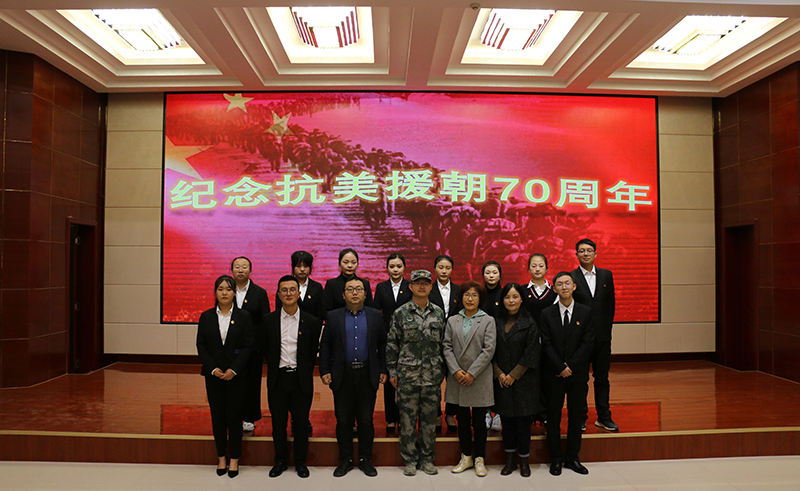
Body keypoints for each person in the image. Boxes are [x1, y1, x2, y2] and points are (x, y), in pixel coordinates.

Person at [319, 277, 387, 477]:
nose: (355, 292)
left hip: (367, 373)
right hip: (342, 374)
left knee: (366, 420)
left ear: (366, 294)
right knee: (343, 420)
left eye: (359, 289)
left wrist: (383, 369)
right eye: (350, 289)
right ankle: (345, 460)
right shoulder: (333, 316)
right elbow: (325, 345)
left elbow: (383, 344)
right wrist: (324, 369)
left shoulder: (376, 315)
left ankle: (366, 459)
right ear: (343, 294)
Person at [386, 270, 446, 477]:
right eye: (418, 283)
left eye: (426, 283)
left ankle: (427, 459)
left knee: (429, 422)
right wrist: (392, 371)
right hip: (407, 376)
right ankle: (410, 460)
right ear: (410, 286)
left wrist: (442, 371)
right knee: (407, 421)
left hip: (432, 376)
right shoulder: (400, 313)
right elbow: (392, 344)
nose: (422, 286)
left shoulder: (439, 313)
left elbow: (444, 345)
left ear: (431, 287)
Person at [262, 275, 322, 478]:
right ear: (278, 294)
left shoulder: (311, 321)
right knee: (278, 424)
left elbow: (312, 352)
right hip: (277, 379)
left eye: (292, 290)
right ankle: (280, 461)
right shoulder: (268, 320)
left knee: (301, 423)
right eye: (284, 290)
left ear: (299, 293)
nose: (288, 293)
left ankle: (300, 463)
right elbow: (265, 349)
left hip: (300, 379)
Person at [196, 275, 253, 478]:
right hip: (213, 376)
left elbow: (248, 346)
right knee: (218, 417)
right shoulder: (206, 317)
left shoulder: (244, 316)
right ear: (215, 292)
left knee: (234, 417)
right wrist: (212, 368)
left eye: (228, 289)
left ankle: (235, 458)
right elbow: (201, 345)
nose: (224, 292)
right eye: (220, 289)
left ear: (234, 292)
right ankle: (221, 457)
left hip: (236, 376)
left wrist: (234, 369)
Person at [540, 272, 594, 476]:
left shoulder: (585, 312)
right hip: (554, 375)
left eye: (567, 283)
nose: (564, 287)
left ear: (574, 287)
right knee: (553, 417)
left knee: (575, 417)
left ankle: (572, 457)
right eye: (559, 284)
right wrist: (559, 367)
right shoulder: (546, 313)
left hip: (577, 375)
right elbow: (546, 344)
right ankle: (555, 459)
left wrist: (570, 366)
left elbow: (588, 343)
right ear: (554, 288)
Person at [443, 281, 496, 477]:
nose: (470, 299)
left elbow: (489, 349)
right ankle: (466, 457)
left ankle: (480, 458)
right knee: (462, 421)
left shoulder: (488, 320)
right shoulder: (452, 320)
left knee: (480, 422)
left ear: (480, 299)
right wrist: (456, 370)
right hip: (458, 377)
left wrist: (472, 372)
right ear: (461, 297)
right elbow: (446, 347)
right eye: (466, 295)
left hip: (478, 377)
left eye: (474, 295)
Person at [493, 282, 541, 477]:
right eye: (507, 297)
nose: (511, 301)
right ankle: (510, 460)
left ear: (522, 299)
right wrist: (499, 373)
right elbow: (490, 351)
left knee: (523, 425)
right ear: (502, 300)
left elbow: (532, 352)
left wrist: (513, 375)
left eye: (515, 297)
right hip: (501, 381)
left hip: (524, 382)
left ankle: (524, 461)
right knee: (507, 424)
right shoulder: (495, 322)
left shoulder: (530, 323)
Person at [571, 238, 618, 432]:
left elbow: (610, 305)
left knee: (602, 378)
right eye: (582, 251)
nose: (586, 254)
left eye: (589, 250)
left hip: (602, 338)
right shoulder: (571, 277)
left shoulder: (606, 275)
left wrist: (606, 332)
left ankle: (604, 416)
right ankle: (580, 417)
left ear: (595, 254)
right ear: (577, 255)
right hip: (580, 340)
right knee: (580, 380)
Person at [372, 252, 412, 433]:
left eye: (399, 266)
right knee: (389, 380)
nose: (395, 269)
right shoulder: (381, 287)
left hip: (407, 339)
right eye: (392, 266)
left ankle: (404, 417)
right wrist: (383, 332)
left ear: (404, 268)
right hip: (387, 339)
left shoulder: (410, 287)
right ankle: (391, 419)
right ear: (387, 268)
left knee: (405, 380)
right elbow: (376, 312)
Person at [230, 256, 271, 433]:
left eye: (244, 267)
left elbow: (265, 321)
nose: (241, 270)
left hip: (253, 348)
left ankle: (249, 418)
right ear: (232, 270)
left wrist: (263, 346)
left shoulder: (259, 293)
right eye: (237, 267)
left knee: (252, 384)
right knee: (232, 384)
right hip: (230, 347)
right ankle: (233, 417)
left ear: (250, 270)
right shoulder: (226, 290)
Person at [427, 254, 460, 431]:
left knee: (453, 379)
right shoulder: (429, 290)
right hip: (433, 341)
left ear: (452, 270)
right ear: (435, 269)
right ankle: (436, 414)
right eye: (441, 267)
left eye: (447, 268)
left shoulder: (459, 290)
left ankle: (450, 414)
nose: (444, 271)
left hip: (455, 341)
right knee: (434, 379)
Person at [322, 248, 373, 317]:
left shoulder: (364, 283)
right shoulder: (332, 284)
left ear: (357, 264)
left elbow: (370, 309)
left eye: (353, 262)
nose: (350, 266)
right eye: (345, 262)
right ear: (339, 264)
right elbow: (326, 310)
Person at [275, 250, 324, 320]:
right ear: (293, 267)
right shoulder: (285, 285)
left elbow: (320, 313)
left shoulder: (317, 287)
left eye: (306, 266)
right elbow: (279, 309)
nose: (302, 269)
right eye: (298, 266)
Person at [523, 253, 558, 326]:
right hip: (527, 330)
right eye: (534, 266)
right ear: (529, 269)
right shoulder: (522, 290)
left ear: (546, 269)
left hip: (549, 330)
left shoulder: (554, 290)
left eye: (541, 266)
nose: (537, 269)